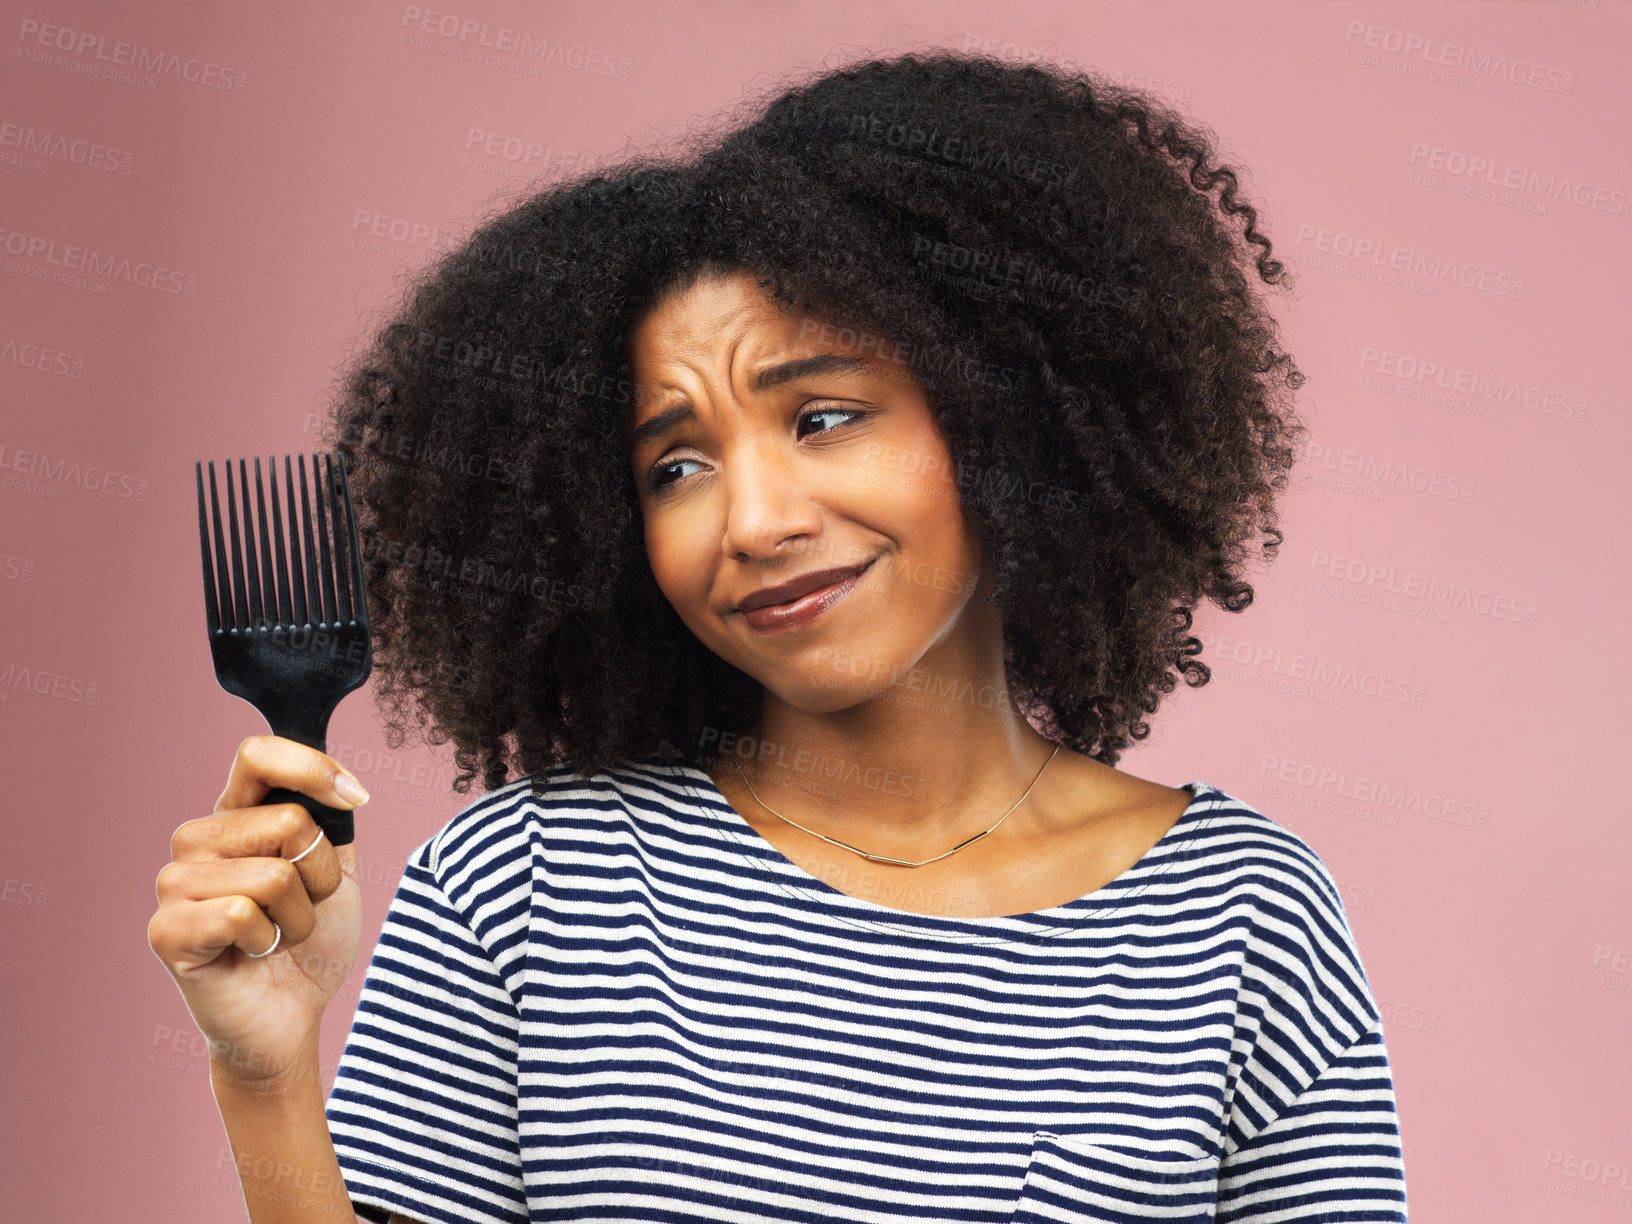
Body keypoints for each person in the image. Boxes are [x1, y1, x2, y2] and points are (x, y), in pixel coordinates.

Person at [150, 50, 1409, 1224]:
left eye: (822, 418)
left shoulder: (1241, 915)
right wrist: (261, 1072)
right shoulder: (524, 888)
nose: (751, 521)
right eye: (678, 465)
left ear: (1002, 417)